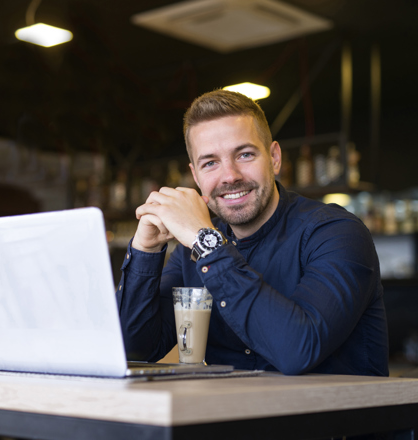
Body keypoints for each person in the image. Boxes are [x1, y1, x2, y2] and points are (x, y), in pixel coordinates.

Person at [116, 89, 389, 376]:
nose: (230, 176)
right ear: (195, 176)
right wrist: (145, 251)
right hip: (234, 417)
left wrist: (207, 243)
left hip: (332, 420)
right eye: (210, 163)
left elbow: (299, 350)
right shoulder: (193, 250)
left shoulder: (336, 233)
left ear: (274, 158)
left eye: (244, 154)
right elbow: (135, 349)